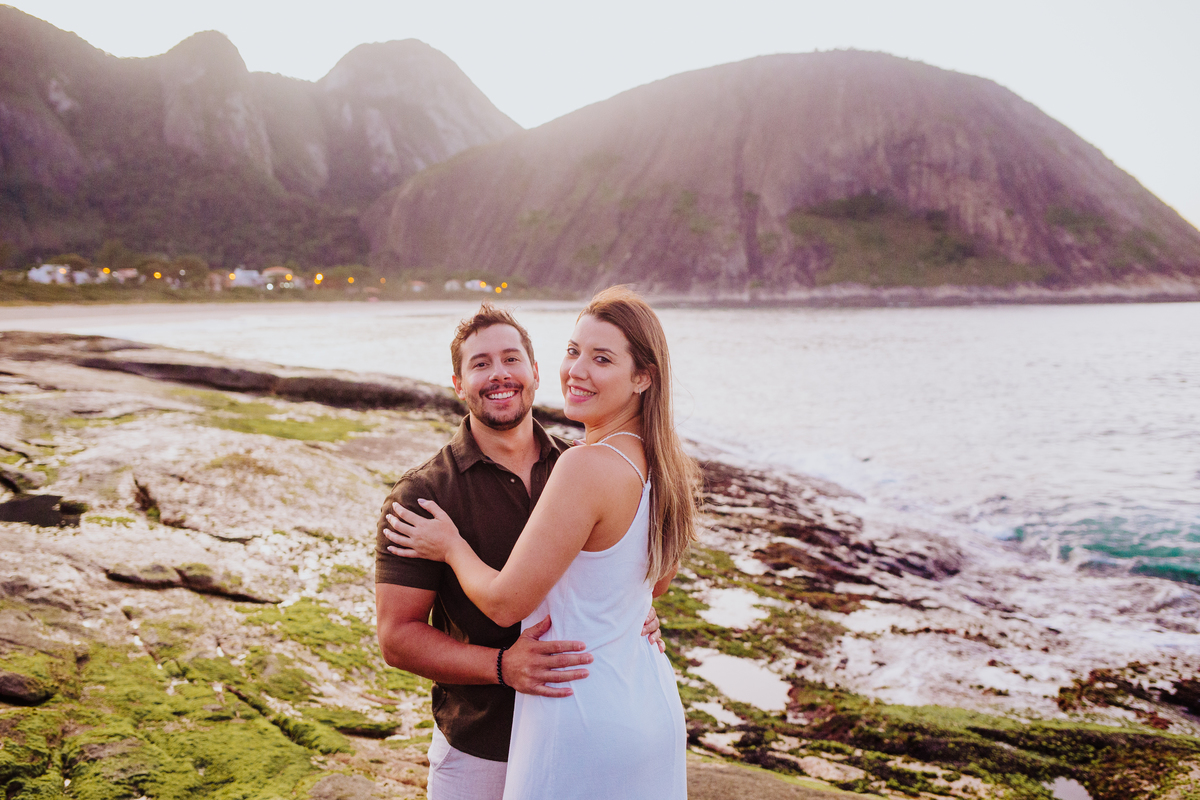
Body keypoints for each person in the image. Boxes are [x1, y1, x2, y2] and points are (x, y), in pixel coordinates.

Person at [383, 287, 696, 800]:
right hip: (644, 702)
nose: (578, 369)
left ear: (643, 376)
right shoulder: (664, 464)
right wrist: (619, 609)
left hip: (579, 712)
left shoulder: (578, 465)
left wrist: (451, 546)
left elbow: (508, 603)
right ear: (458, 384)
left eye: (601, 358)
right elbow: (652, 583)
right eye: (573, 352)